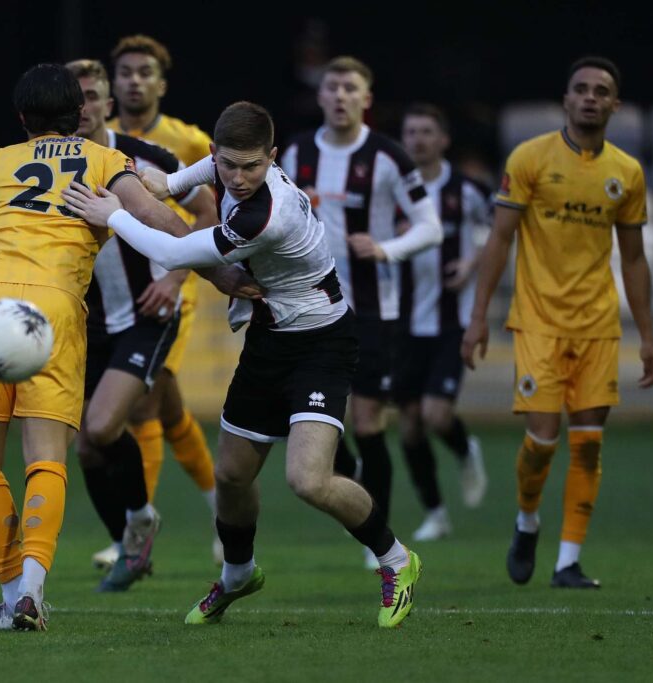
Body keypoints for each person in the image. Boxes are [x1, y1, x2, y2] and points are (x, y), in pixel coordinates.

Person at [0, 63, 253, 632]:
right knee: (46, 456)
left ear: (22, 118)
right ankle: (31, 591)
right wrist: (226, 277)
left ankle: (9, 599)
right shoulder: (103, 160)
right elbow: (162, 220)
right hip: (53, 310)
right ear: (80, 114)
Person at [64, 101, 426, 629]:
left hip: (321, 342)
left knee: (308, 479)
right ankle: (238, 574)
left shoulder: (265, 215)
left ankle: (397, 560)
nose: (237, 178)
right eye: (228, 165)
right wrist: (146, 180)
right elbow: (170, 186)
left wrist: (112, 214)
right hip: (269, 339)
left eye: (251, 166)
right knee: (231, 475)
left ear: (272, 158)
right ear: (215, 153)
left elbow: (177, 252)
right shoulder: (227, 167)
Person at [461, 56, 653, 588]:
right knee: (543, 442)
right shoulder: (530, 158)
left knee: (589, 442)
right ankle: (527, 520)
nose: (591, 97)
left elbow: (635, 259)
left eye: (602, 91)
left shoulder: (627, 172)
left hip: (598, 323)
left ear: (615, 105)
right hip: (539, 322)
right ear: (567, 100)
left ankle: (568, 561)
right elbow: (500, 239)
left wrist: (648, 336)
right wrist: (478, 318)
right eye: (581, 89)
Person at [280, 56, 443, 569]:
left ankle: (381, 539)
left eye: (351, 87)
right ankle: (350, 493)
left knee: (370, 420)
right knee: (316, 422)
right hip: (307, 305)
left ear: (366, 97)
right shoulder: (296, 151)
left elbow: (430, 227)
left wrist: (387, 249)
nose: (341, 96)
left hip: (373, 310)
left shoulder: (389, 157)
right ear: (322, 96)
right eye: (333, 87)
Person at [65, 59, 217, 591]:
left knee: (105, 427)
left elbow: (208, 210)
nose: (81, 107)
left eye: (90, 95)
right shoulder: (50, 165)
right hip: (89, 324)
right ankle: (135, 532)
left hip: (147, 314)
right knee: (87, 447)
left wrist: (175, 279)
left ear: (109, 103)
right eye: (72, 97)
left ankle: (146, 527)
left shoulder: (148, 159)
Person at [105, 34, 225, 566]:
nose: (133, 79)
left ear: (161, 83)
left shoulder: (187, 141)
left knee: (144, 403)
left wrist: (176, 276)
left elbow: (212, 208)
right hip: (114, 292)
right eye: (125, 71)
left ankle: (134, 535)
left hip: (168, 286)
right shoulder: (89, 137)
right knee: (170, 411)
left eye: (143, 71)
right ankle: (225, 508)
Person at [394, 103, 490, 541]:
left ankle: (465, 448)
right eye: (411, 132)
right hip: (402, 324)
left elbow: (499, 236)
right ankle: (436, 513)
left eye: (426, 131)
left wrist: (471, 262)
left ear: (443, 140)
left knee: (435, 416)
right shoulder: (391, 188)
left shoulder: (466, 189)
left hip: (450, 322)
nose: (417, 139)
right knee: (409, 425)